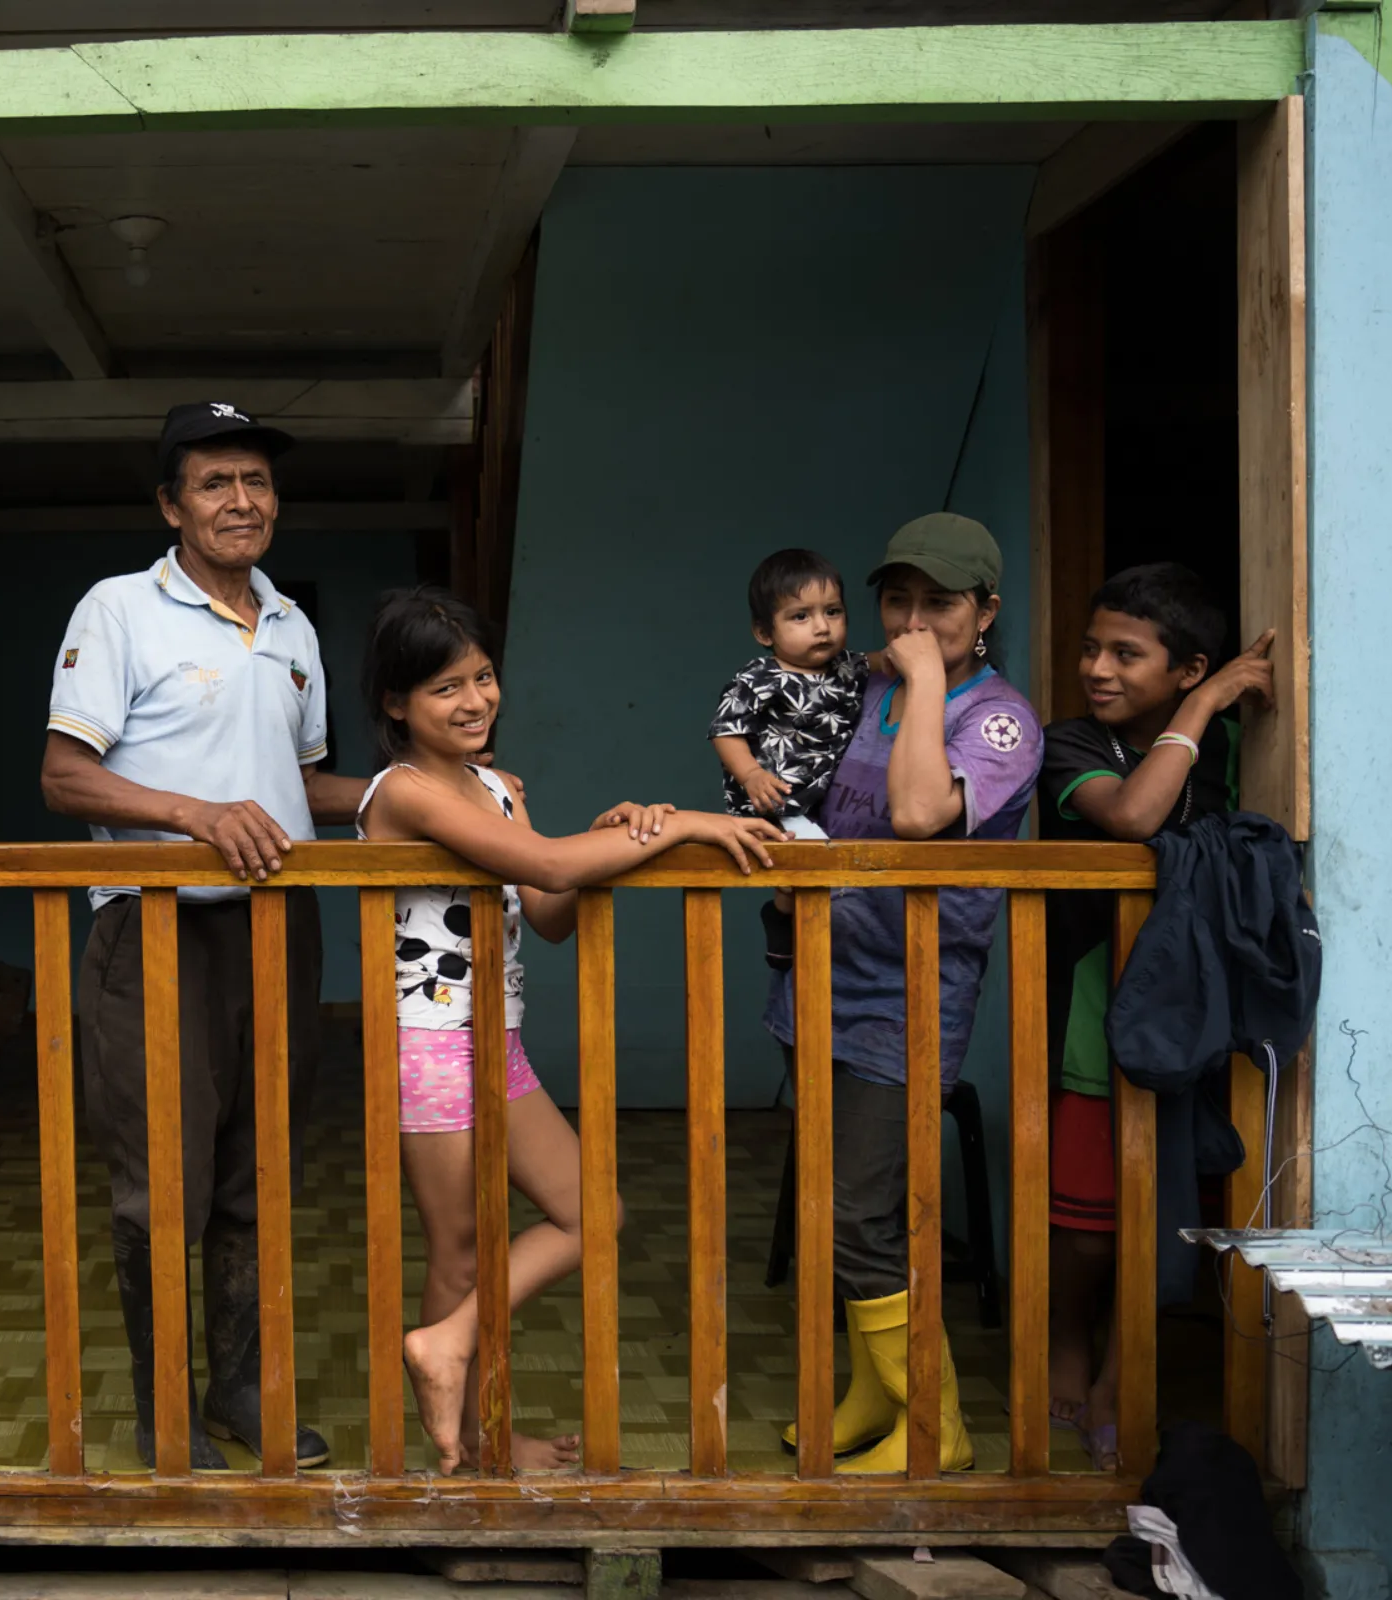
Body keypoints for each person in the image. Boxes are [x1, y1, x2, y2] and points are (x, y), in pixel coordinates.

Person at [359, 586, 783, 1473]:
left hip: (495, 1041)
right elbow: (547, 864)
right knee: (460, 1249)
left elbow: (548, 905)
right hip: (428, 1043)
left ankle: (448, 1354)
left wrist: (618, 830)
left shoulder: (496, 787)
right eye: (445, 689)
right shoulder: (400, 795)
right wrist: (687, 824)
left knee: (595, 1212)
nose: (475, 700)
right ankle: (475, 1445)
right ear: (396, 703)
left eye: (482, 677)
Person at [41, 401, 366, 1470]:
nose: (244, 500)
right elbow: (65, 773)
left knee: (258, 1171)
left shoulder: (290, 623)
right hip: (159, 927)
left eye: (258, 482)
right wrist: (195, 813)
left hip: (279, 929)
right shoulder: (121, 609)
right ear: (171, 504)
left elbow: (301, 784)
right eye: (218, 482)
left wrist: (424, 793)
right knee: (163, 1183)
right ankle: (160, 1411)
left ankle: (236, 1388)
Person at [764, 513, 1042, 1473]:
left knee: (866, 1208)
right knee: (830, 1202)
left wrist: (925, 680)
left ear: (986, 612)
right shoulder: (858, 689)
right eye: (899, 600)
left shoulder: (997, 716)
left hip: (911, 990)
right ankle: (870, 1396)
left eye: (940, 603)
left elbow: (923, 816)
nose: (914, 620)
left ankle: (938, 1424)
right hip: (822, 969)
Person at [1038, 563, 1273, 1471]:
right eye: (1092, 648)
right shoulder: (1070, 748)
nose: (1099, 667)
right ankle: (1066, 1341)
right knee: (1087, 1222)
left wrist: (1212, 713)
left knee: (1165, 1212)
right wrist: (1209, 700)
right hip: (1097, 1018)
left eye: (1127, 654)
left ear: (1183, 666)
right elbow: (1135, 816)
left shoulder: (1228, 752)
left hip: (1202, 1018)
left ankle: (1115, 1376)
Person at [708, 547, 883, 969]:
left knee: (810, 867)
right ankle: (789, 925)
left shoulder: (846, 667)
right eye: (800, 616)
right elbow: (726, 730)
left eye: (833, 612)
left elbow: (882, 661)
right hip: (775, 797)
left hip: (824, 797)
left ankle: (784, 915)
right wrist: (750, 774)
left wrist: (912, 656)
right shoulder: (760, 676)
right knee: (809, 860)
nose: (822, 627)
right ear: (764, 632)